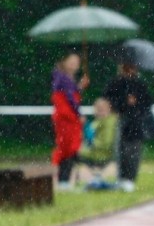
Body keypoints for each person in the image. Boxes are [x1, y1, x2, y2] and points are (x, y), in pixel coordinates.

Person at [103, 62, 152, 193]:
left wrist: (136, 102)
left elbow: (146, 103)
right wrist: (124, 102)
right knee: (121, 151)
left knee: (134, 152)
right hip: (121, 121)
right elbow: (109, 99)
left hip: (136, 123)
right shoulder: (116, 83)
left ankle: (130, 179)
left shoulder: (140, 84)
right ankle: (121, 178)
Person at [50, 51, 89, 190]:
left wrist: (79, 87)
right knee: (68, 148)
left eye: (76, 62)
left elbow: (71, 94)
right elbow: (70, 99)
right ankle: (64, 181)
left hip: (66, 118)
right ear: (64, 61)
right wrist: (79, 114)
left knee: (67, 148)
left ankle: (64, 180)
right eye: (71, 61)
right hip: (67, 119)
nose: (74, 64)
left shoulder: (63, 77)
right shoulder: (63, 77)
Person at [73, 96, 119, 189]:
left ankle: (95, 178)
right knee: (74, 151)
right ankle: (96, 178)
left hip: (102, 153)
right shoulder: (99, 121)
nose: (99, 112)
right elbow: (89, 134)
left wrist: (91, 143)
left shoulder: (109, 122)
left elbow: (106, 142)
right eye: (97, 109)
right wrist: (85, 127)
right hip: (96, 151)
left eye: (102, 109)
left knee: (74, 153)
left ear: (109, 109)